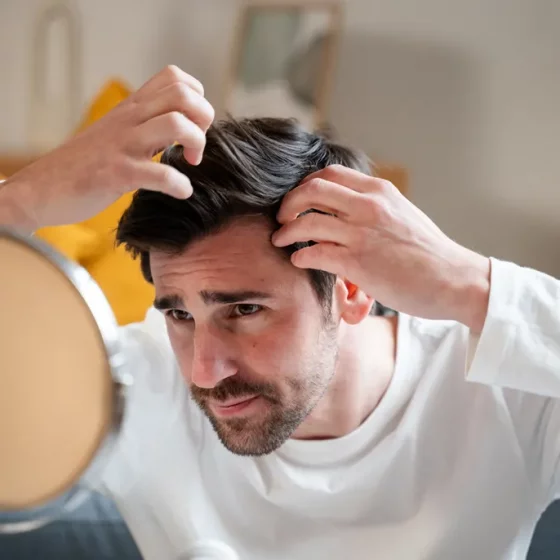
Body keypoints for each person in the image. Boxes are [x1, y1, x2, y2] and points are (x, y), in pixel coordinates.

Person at [1, 65, 560, 560]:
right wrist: (18, 203)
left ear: (351, 290)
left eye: (244, 309)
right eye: (179, 314)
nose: (203, 370)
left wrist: (470, 283)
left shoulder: (503, 393)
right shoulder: (136, 386)